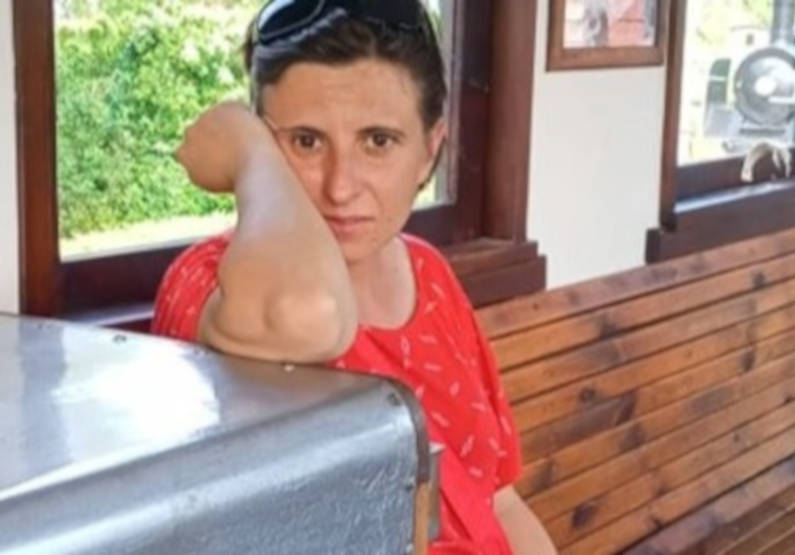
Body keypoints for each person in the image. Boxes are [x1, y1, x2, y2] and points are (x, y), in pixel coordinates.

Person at [151, 1, 557, 553]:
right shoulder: (208, 283)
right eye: (305, 141)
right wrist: (247, 151)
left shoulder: (429, 273)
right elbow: (310, 314)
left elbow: (500, 499)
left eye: (378, 141)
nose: (340, 187)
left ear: (429, 151)